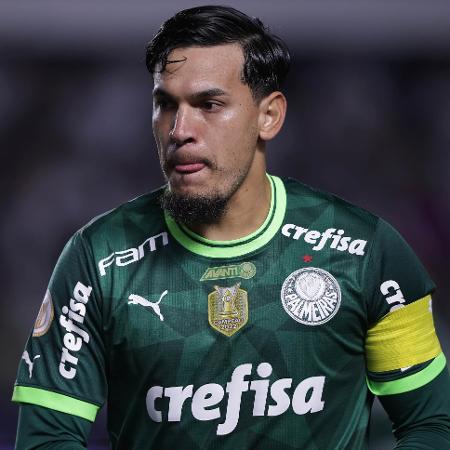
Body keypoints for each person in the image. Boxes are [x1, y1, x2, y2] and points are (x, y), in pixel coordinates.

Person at [12, 5, 450, 449]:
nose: (180, 129)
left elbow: (433, 425)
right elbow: (46, 438)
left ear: (269, 116)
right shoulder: (98, 257)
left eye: (210, 104)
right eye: (165, 104)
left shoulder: (368, 251)